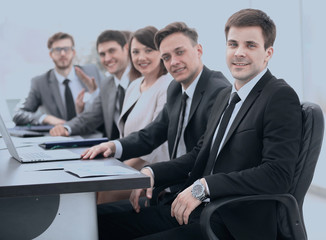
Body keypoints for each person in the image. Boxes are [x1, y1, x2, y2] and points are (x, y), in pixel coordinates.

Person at [94, 9, 303, 240]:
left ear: (268, 53)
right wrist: (152, 173)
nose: (239, 53)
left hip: (232, 222)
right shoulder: (227, 95)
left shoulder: (279, 96)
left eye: (250, 45)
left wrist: (204, 186)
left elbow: (277, 174)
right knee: (97, 222)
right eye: (233, 44)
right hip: (197, 209)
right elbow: (198, 154)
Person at [82, 22, 230, 172]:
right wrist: (113, 146)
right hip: (174, 180)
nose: (173, 62)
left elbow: (202, 153)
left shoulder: (218, 91)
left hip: (199, 185)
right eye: (166, 57)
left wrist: (153, 172)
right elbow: (151, 134)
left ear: (198, 50)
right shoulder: (175, 89)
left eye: (180, 52)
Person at [96, 26, 172, 204]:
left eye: (148, 50)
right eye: (135, 52)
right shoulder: (134, 85)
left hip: (152, 170)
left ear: (161, 52)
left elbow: (155, 143)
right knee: (91, 190)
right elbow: (126, 137)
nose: (141, 57)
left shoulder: (168, 85)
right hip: (127, 164)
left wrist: (119, 171)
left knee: (104, 192)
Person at [50, 30, 132, 139]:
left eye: (112, 51)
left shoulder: (142, 80)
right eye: (102, 54)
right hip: (115, 151)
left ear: (126, 49)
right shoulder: (107, 84)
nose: (107, 58)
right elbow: (89, 118)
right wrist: (65, 128)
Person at [13, 32, 103, 126]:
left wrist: (95, 93)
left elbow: (109, 103)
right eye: (57, 50)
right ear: (51, 54)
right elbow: (18, 114)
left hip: (95, 133)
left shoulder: (92, 72)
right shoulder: (40, 83)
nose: (63, 53)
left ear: (73, 52)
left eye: (67, 49)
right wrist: (45, 118)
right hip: (60, 137)